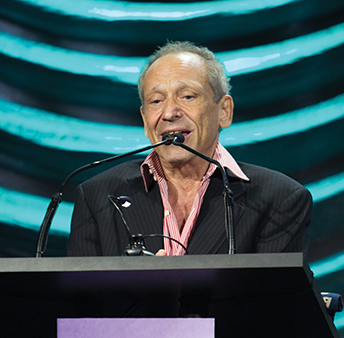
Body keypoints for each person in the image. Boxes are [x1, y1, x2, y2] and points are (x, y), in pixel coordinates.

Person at [67, 41, 312, 257]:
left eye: (187, 96)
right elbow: (82, 304)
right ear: (145, 120)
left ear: (224, 111)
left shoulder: (279, 199)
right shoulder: (97, 196)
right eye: (156, 101)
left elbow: (270, 305)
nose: (170, 112)